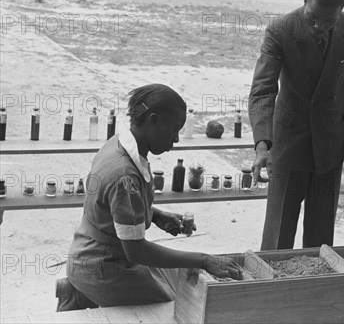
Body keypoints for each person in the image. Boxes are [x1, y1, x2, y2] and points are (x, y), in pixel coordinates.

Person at [62, 84, 241, 310]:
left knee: (171, 282)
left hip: (90, 253)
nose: (176, 139)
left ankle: (83, 294)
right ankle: (84, 294)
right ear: (153, 120)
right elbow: (136, 251)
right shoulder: (125, 175)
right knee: (172, 308)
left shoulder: (118, 144)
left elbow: (110, 207)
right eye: (174, 129)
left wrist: (154, 214)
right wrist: (205, 259)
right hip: (103, 267)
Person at [249, 0, 344, 250]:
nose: (319, 26)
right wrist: (262, 145)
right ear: (304, 2)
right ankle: (273, 289)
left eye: (329, 21)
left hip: (330, 147)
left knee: (321, 238)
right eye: (313, 17)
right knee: (278, 237)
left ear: (340, 13)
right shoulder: (280, 29)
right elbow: (263, 91)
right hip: (288, 146)